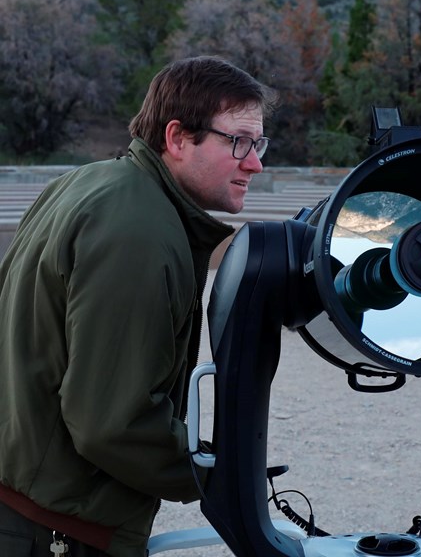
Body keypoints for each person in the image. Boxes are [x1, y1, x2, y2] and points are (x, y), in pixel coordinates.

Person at [0, 56, 276, 556]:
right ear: (176, 138)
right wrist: (211, 471)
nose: (255, 162)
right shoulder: (140, 231)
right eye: (237, 141)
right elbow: (110, 422)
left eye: (258, 144)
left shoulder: (87, 182)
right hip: (52, 530)